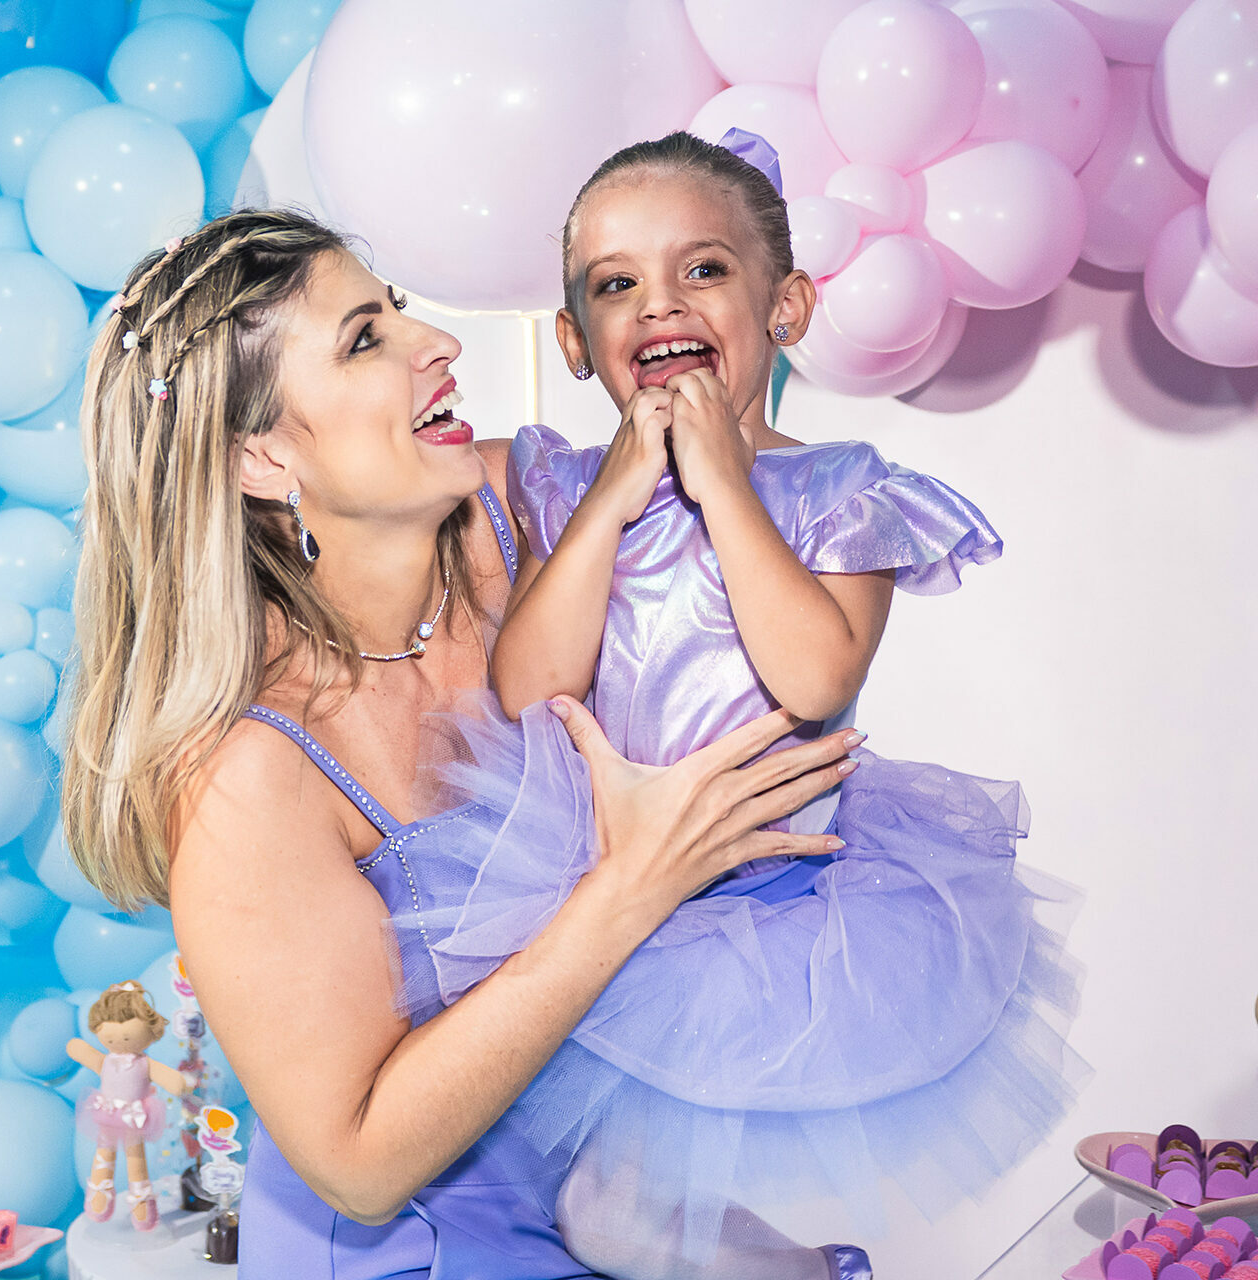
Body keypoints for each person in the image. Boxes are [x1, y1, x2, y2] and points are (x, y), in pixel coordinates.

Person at [62, 208, 864, 1279]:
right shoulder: (248, 769)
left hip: (619, 1215)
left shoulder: (522, 510)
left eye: (395, 309)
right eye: (365, 339)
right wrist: (633, 884)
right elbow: (358, 1164)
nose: (435, 342)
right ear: (262, 454)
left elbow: (751, 472)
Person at [396, 131, 1083, 1276]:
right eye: (616, 284)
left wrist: (721, 480)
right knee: (607, 1211)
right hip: (603, 883)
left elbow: (815, 677)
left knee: (623, 1214)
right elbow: (527, 685)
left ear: (788, 306)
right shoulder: (567, 485)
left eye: (703, 268)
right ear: (574, 343)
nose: (659, 303)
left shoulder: (840, 489)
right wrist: (614, 498)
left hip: (772, 901)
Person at [66, 981, 193, 1231]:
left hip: (135, 1115)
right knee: (104, 1152)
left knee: (136, 1158)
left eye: (127, 1028)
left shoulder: (144, 1063)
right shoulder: (106, 1060)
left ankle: (141, 1200)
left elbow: (170, 1079)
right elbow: (84, 1054)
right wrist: (77, 1048)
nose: (119, 1037)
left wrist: (178, 1082)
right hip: (107, 1112)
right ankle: (100, 1193)